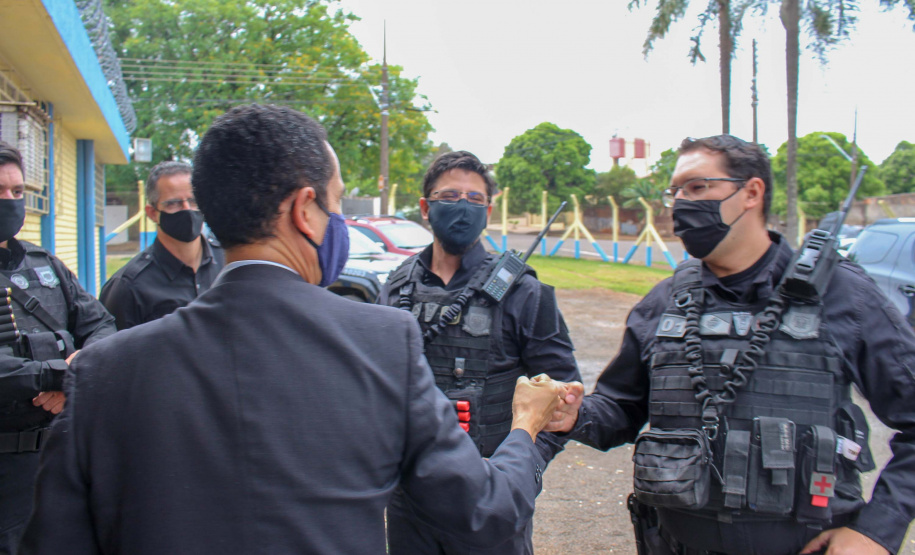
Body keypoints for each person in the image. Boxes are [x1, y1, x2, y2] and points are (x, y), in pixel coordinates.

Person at [19, 105, 569, 555]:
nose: (341, 225)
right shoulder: (382, 343)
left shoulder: (102, 372)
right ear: (306, 210)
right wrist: (526, 428)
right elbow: (483, 512)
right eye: (336, 204)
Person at [549, 135, 915, 555]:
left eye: (698, 187)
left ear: (751, 193)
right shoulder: (663, 302)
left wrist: (876, 531)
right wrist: (571, 413)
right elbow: (621, 409)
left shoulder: (843, 297)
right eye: (676, 192)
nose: (681, 203)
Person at [378, 150, 582, 555]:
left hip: (490, 501)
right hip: (408, 499)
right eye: (450, 196)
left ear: (488, 210)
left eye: (475, 200)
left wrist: (521, 473)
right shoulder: (395, 286)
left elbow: (560, 399)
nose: (463, 207)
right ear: (425, 207)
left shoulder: (526, 292)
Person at [0, 141, 116, 553]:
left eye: (17, 192)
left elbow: (101, 324)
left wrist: (79, 364)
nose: (10, 201)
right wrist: (59, 375)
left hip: (59, 456)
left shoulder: (46, 265)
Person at [100, 161, 224, 330]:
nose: (187, 210)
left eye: (194, 201)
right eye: (173, 204)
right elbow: (111, 352)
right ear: (152, 213)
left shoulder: (228, 261)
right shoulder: (128, 287)